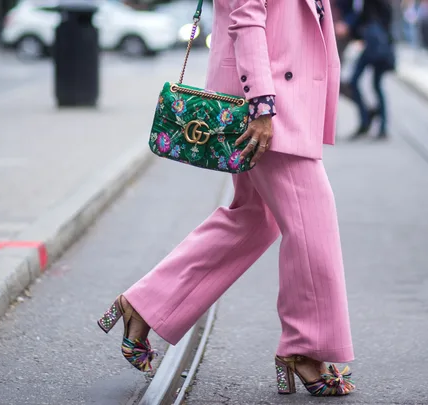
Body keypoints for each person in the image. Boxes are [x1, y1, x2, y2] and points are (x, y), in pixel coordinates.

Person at [98, 0, 355, 397]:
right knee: (312, 225)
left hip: (282, 96)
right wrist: (262, 107)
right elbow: (246, 16)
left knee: (253, 219)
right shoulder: (264, 108)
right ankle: (306, 347)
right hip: (266, 104)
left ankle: (144, 305)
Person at [348, 0, 395, 140]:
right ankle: (374, 122)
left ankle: (373, 122)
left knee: (361, 82)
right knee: (371, 84)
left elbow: (366, 16)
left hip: (375, 45)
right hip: (377, 44)